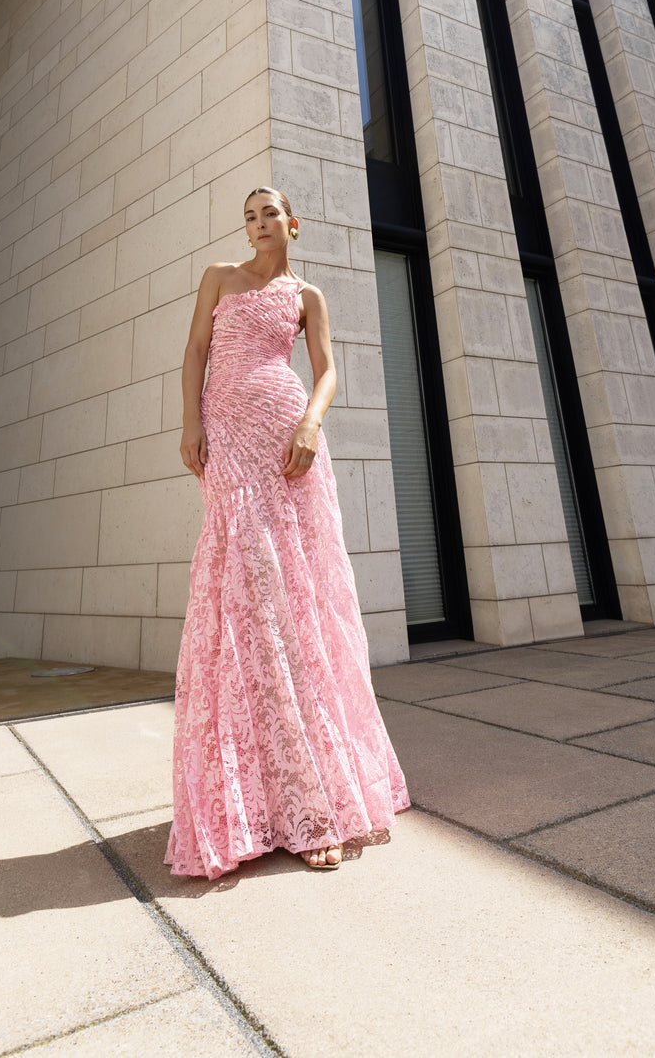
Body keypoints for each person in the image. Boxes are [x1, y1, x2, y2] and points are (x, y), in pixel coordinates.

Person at [165, 186, 409, 878]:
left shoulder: (308, 294)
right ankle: (250, 800)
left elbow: (328, 370)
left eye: (268, 212)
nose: (257, 223)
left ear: (292, 223)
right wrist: (191, 424)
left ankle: (307, 802)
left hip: (287, 442)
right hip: (230, 445)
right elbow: (194, 354)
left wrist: (310, 424)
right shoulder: (218, 278)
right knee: (241, 599)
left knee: (293, 603)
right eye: (249, 215)